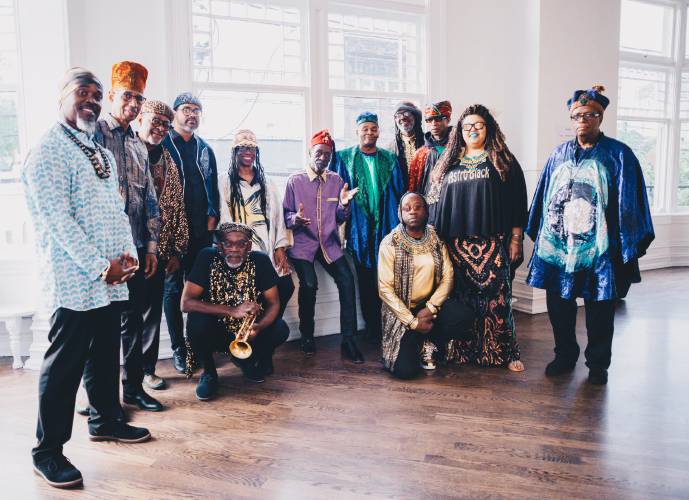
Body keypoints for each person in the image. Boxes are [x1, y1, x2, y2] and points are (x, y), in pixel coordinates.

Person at [22, 68, 151, 489]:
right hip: (74, 279)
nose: (91, 101)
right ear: (62, 97)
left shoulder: (98, 151)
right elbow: (58, 221)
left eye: (97, 95)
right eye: (83, 92)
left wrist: (128, 255)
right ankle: (47, 452)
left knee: (105, 354)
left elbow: (114, 211)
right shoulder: (47, 152)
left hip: (110, 278)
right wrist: (100, 266)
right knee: (65, 366)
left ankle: (106, 420)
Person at [526, 85, 654, 385]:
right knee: (559, 304)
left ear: (600, 118)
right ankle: (564, 354)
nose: (582, 120)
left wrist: (627, 246)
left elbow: (630, 203)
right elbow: (544, 196)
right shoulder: (558, 154)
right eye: (577, 116)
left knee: (600, 308)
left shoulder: (619, 154)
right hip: (559, 247)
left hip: (601, 250)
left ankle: (598, 364)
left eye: (589, 115)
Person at [427, 104, 528, 372]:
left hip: (492, 242)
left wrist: (516, 238)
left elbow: (518, 200)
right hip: (455, 244)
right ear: (459, 131)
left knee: (498, 299)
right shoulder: (447, 162)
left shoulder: (502, 159)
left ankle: (505, 352)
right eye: (467, 126)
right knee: (461, 299)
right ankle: (463, 351)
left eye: (478, 125)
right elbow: (434, 202)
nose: (472, 130)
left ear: (488, 128)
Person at [94, 61, 162, 412]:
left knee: (132, 322)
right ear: (111, 96)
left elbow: (150, 197)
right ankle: (99, 399)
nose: (133, 104)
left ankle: (133, 389)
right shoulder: (93, 134)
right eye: (127, 96)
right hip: (102, 251)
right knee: (101, 327)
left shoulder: (138, 144)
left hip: (134, 248)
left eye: (139, 98)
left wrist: (151, 247)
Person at [181, 222, 290, 401]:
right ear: (219, 245)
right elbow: (186, 303)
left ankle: (246, 360)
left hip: (247, 332)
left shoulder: (260, 260)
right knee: (196, 322)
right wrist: (232, 310)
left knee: (280, 329)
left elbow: (274, 303)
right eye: (228, 243)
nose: (234, 249)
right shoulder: (206, 257)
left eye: (241, 244)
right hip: (216, 329)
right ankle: (209, 373)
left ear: (249, 246)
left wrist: (259, 327)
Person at [283, 129, 363, 362]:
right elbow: (285, 215)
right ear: (310, 152)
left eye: (327, 154)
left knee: (347, 280)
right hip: (303, 244)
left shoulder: (336, 181)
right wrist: (295, 219)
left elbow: (339, 218)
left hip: (329, 244)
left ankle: (349, 340)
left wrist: (344, 206)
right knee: (309, 284)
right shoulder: (295, 181)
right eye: (319, 152)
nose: (323, 157)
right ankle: (307, 336)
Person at [378, 192, 474, 379]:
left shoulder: (435, 239)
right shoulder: (389, 243)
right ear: (400, 213)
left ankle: (429, 341)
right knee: (405, 371)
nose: (412, 212)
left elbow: (448, 277)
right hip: (402, 310)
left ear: (427, 211)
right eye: (407, 208)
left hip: (430, 305)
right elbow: (385, 289)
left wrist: (430, 308)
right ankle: (419, 340)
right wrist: (413, 322)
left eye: (417, 207)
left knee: (464, 316)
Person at [332, 112, 405, 342]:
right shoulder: (344, 158)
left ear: (379, 131)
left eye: (373, 128)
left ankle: (392, 325)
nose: (369, 132)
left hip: (386, 226)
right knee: (365, 280)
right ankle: (374, 329)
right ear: (357, 131)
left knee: (388, 279)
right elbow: (336, 193)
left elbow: (400, 193)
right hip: (359, 228)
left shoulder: (389, 159)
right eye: (365, 128)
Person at [163, 92, 220, 373]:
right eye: (186, 109)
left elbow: (213, 189)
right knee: (173, 290)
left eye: (196, 110)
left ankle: (198, 344)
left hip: (201, 233)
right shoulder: (162, 144)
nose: (192, 114)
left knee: (200, 291)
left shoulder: (205, 149)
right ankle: (178, 348)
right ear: (175, 112)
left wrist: (211, 226)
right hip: (172, 234)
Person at [135, 100, 190, 389]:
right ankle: (121, 376)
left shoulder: (169, 159)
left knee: (151, 314)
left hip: (161, 250)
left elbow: (178, 206)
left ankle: (147, 370)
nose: (160, 129)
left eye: (165, 125)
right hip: (129, 247)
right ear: (140, 119)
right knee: (124, 315)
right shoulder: (127, 151)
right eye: (155, 121)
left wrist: (178, 250)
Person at [219, 129, 294, 319]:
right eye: (243, 148)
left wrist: (280, 247)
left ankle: (268, 325)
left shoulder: (267, 182)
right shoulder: (224, 181)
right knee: (250, 292)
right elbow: (223, 217)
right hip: (240, 247)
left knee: (285, 286)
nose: (248, 152)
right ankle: (252, 330)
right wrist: (234, 248)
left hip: (267, 245)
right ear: (234, 151)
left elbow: (278, 216)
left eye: (252, 148)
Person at [408, 101, 453, 194]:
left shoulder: (460, 149)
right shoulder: (420, 155)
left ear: (448, 120)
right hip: (428, 200)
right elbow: (413, 187)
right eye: (429, 120)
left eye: (438, 119)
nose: (434, 123)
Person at [388, 101, 424, 188]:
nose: (403, 118)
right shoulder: (390, 148)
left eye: (407, 113)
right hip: (400, 193)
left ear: (416, 117)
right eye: (398, 115)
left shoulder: (428, 143)